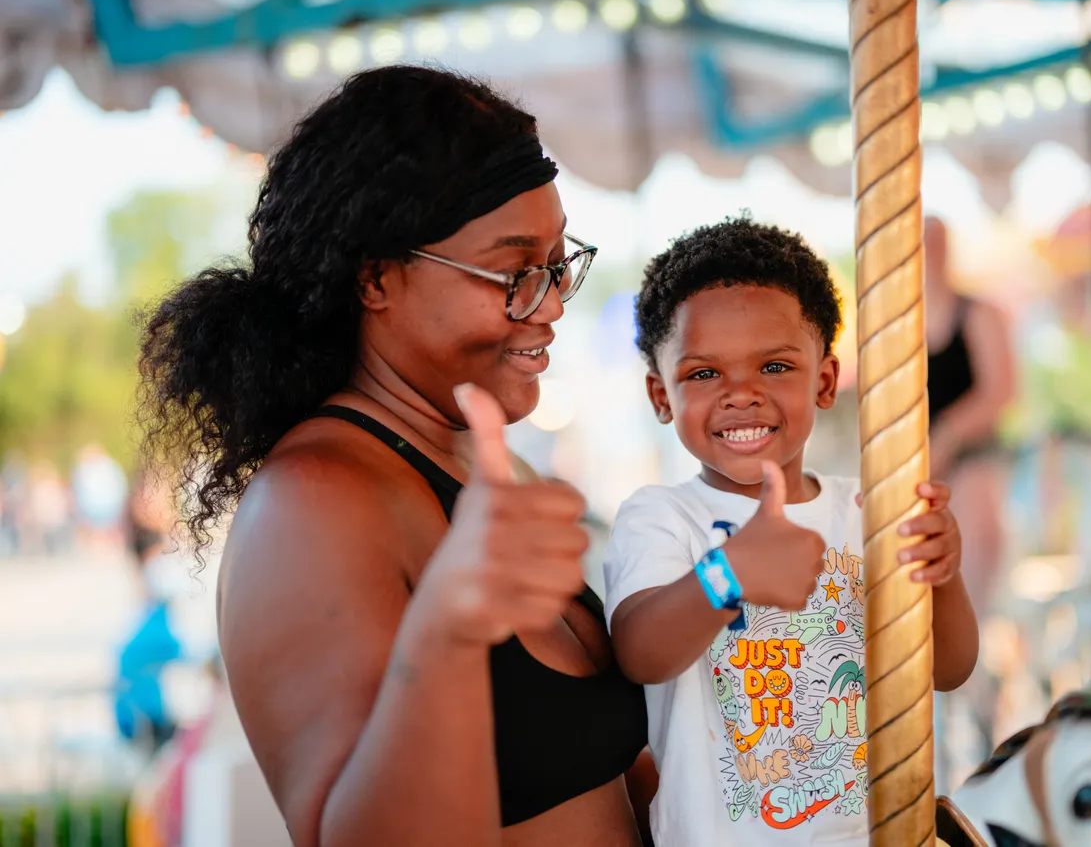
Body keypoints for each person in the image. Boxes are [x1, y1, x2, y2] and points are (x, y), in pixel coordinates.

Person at [137, 66, 652, 847]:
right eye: (514, 272)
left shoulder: (479, 463)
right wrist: (446, 632)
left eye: (556, 265)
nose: (548, 304)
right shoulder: (312, 502)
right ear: (376, 278)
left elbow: (600, 774)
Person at [602, 217, 979, 844]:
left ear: (824, 381)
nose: (741, 394)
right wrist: (728, 573)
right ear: (661, 395)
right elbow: (641, 652)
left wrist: (944, 573)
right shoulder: (662, 518)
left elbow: (949, 668)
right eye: (704, 374)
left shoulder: (867, 511)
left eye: (775, 366)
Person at [923, 216, 1015, 617]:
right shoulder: (898, 324)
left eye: (936, 243)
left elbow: (1000, 391)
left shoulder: (977, 313)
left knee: (977, 535)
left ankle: (974, 630)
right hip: (921, 459)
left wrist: (946, 436)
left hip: (969, 454)